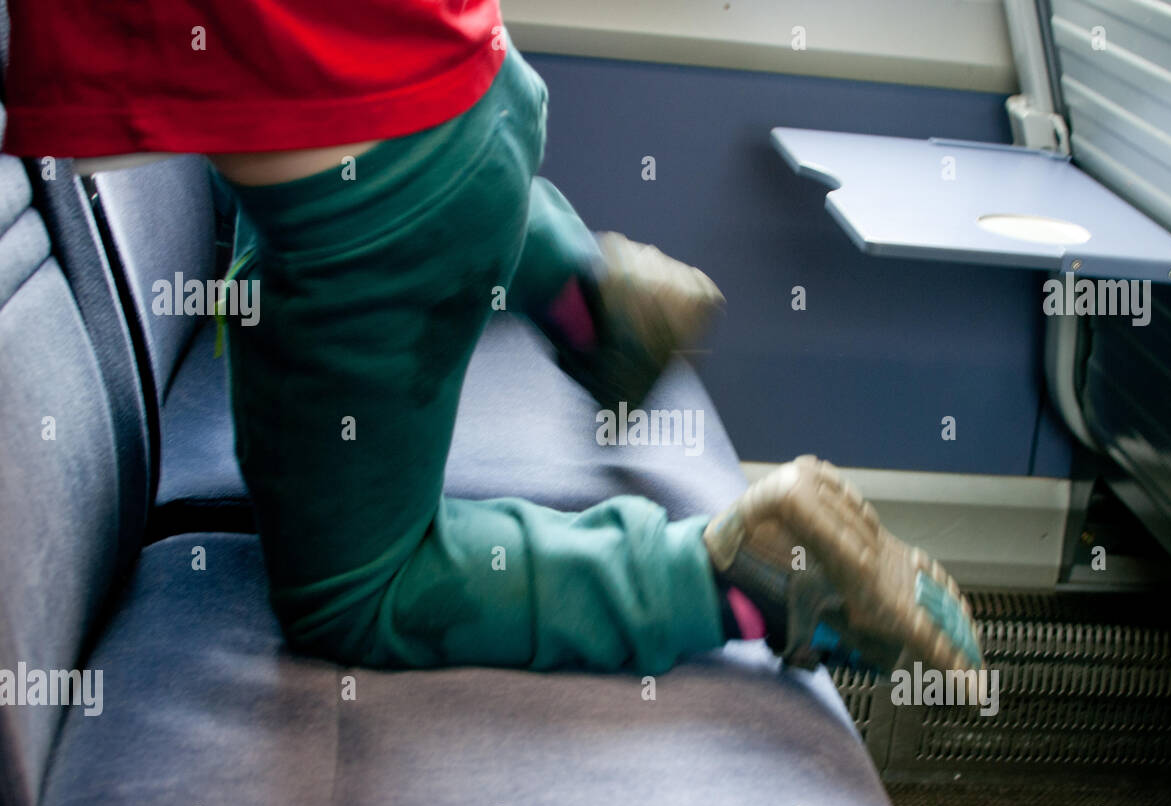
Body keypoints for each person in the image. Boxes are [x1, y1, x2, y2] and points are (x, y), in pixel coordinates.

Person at [2, 0, 981, 676]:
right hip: (471, 94)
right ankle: (597, 303)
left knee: (355, 598)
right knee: (415, 198)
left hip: (374, 203)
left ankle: (741, 577)